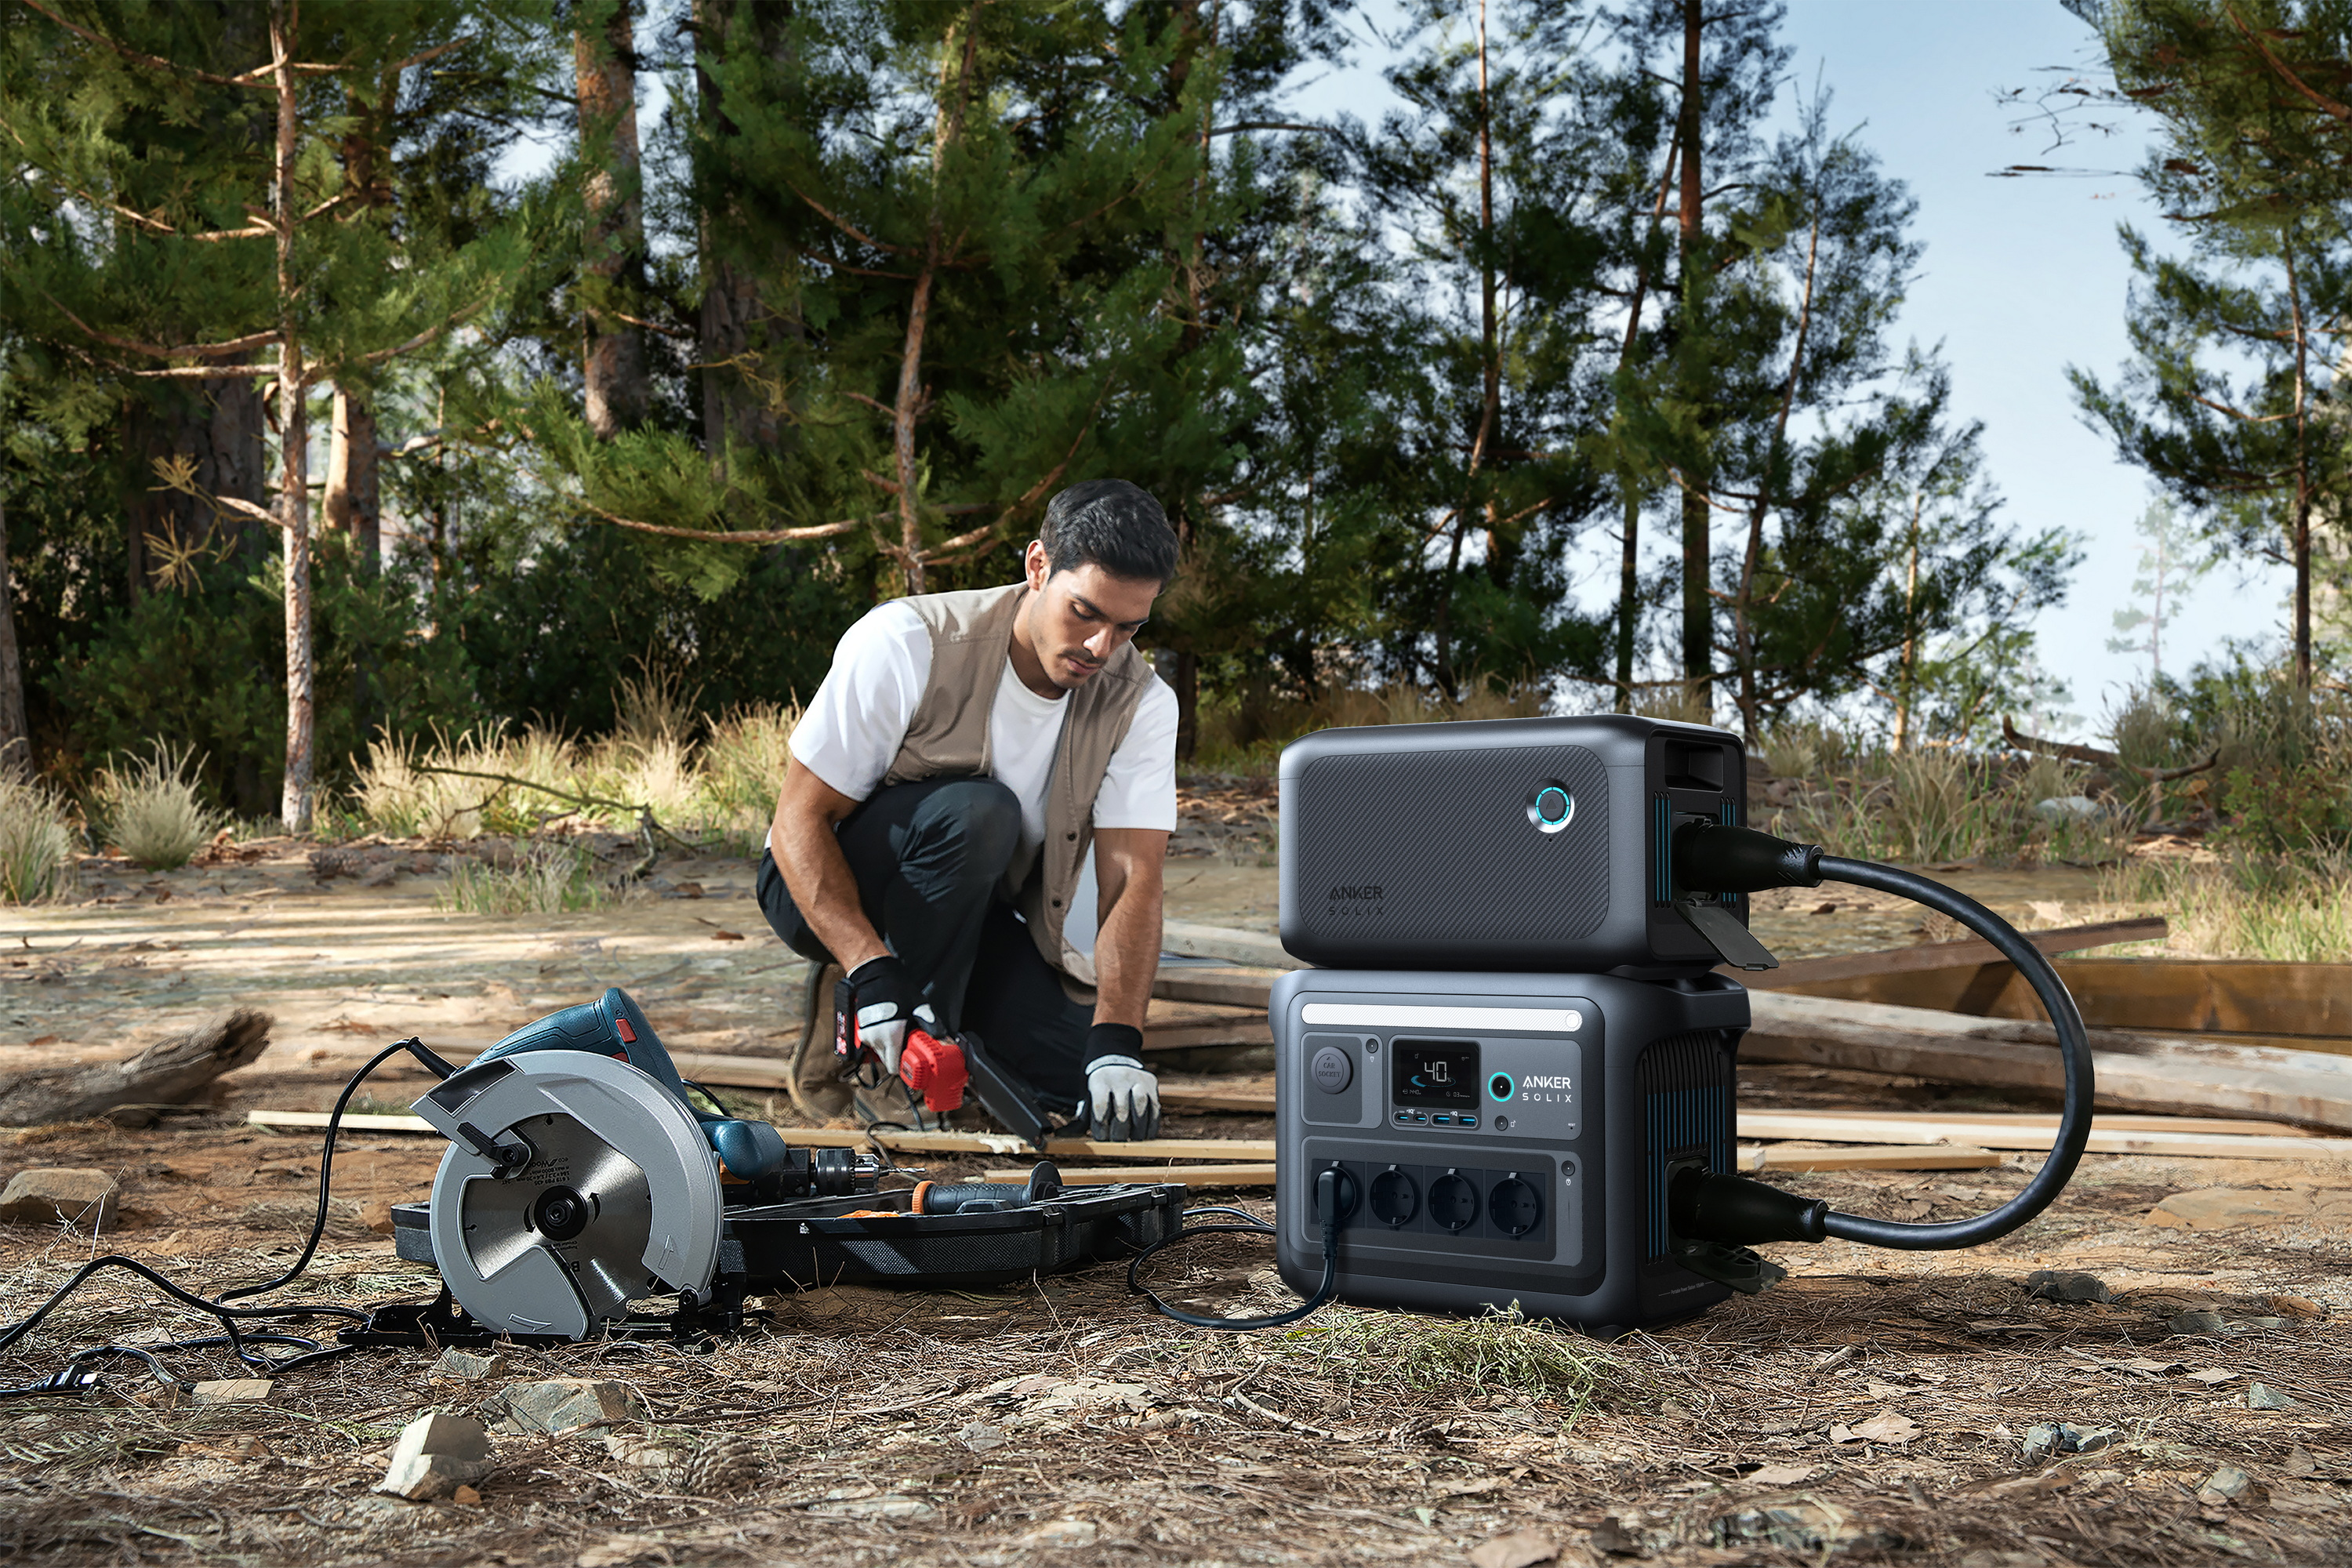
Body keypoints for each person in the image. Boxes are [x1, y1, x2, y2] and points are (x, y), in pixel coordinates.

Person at [757, 479, 1180, 1140]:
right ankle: (867, 1028)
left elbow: (1134, 878)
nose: (1101, 647)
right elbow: (798, 821)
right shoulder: (908, 642)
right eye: (1085, 613)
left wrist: (1118, 1039)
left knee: (1080, 1077)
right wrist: (872, 969)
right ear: (1038, 566)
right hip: (822, 882)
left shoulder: (1142, 704)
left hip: (974, 913)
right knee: (983, 813)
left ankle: (929, 1019)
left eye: (1128, 627)